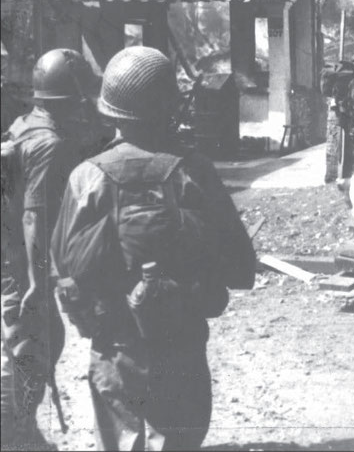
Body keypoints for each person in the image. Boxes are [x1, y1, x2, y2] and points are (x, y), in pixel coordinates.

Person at [50, 46, 257, 450]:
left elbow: (65, 264)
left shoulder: (87, 176)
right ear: (169, 107)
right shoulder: (193, 170)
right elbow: (236, 261)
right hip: (180, 335)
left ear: (110, 108)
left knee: (122, 441)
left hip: (116, 343)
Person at [1, 48, 100, 450]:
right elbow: (34, 217)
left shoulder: (24, 124)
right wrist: (36, 283)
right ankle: (13, 433)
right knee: (30, 343)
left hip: (10, 253)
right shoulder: (50, 144)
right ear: (70, 99)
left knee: (35, 341)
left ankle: (21, 431)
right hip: (18, 260)